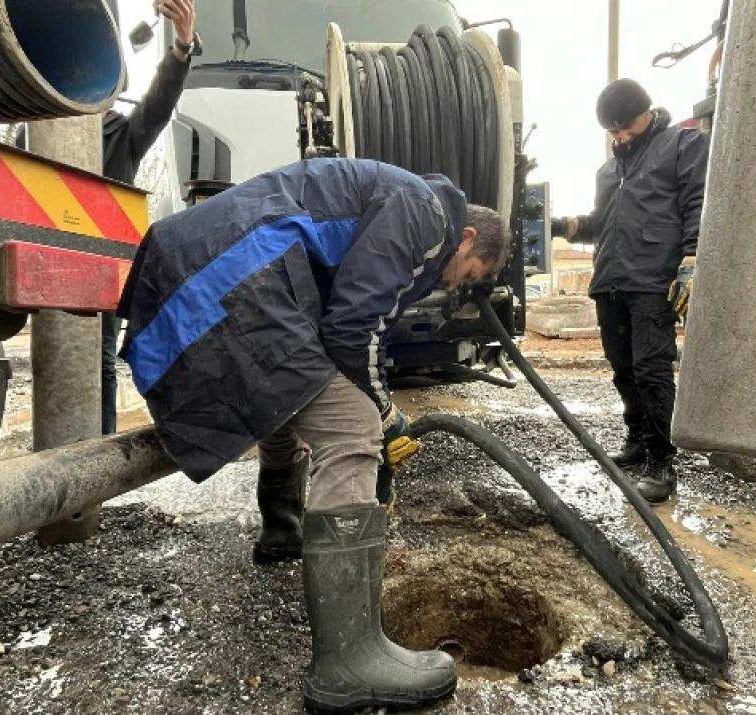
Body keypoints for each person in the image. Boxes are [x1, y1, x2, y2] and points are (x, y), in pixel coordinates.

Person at [116, 157, 510, 712]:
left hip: (196, 261)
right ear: (467, 235)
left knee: (290, 392)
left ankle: (284, 528)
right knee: (350, 425)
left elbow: (334, 326)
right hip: (235, 273)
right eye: (468, 272)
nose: (456, 283)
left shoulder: (399, 201)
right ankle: (348, 663)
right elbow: (353, 331)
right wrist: (382, 413)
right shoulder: (425, 214)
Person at [551, 79, 708, 503]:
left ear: (647, 112)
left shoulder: (682, 146)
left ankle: (662, 461)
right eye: (612, 131)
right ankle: (638, 440)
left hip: (654, 281)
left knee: (652, 370)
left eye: (626, 126)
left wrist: (692, 262)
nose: (620, 135)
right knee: (623, 369)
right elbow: (604, 222)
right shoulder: (609, 171)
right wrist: (564, 226)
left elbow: (699, 205)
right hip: (611, 280)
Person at [100, 0, 198, 435]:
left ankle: (92, 458)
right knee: (54, 359)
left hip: (103, 268)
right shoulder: (35, 129)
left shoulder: (120, 135)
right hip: (39, 256)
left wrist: (181, 47)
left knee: (99, 360)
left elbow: (158, 104)